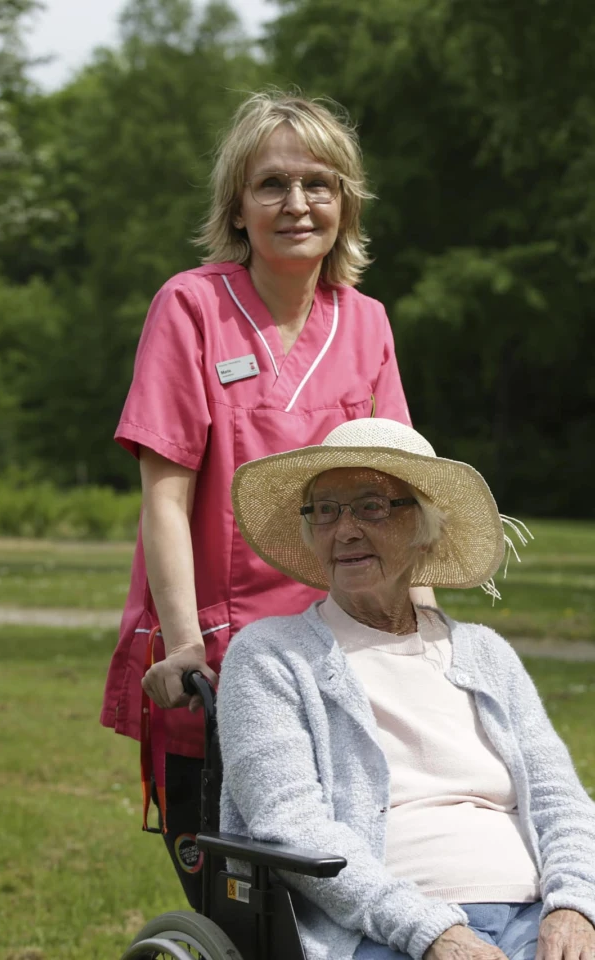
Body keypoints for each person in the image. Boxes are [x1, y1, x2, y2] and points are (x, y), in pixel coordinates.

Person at [98, 90, 434, 908]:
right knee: (250, 910)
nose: (297, 205)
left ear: (345, 204)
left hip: (343, 656)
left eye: (318, 184)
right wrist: (183, 648)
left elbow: (401, 496)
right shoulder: (190, 307)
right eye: (272, 185)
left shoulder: (368, 322)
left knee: (357, 894)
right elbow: (165, 499)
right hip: (217, 652)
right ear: (237, 207)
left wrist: (425, 632)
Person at [218, 418, 595, 960]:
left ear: (425, 527)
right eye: (326, 510)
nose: (344, 530)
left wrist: (576, 908)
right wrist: (432, 932)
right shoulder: (272, 656)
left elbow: (564, 803)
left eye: (371, 506)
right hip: (377, 926)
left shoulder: (486, 653)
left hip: (536, 912)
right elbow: (291, 827)